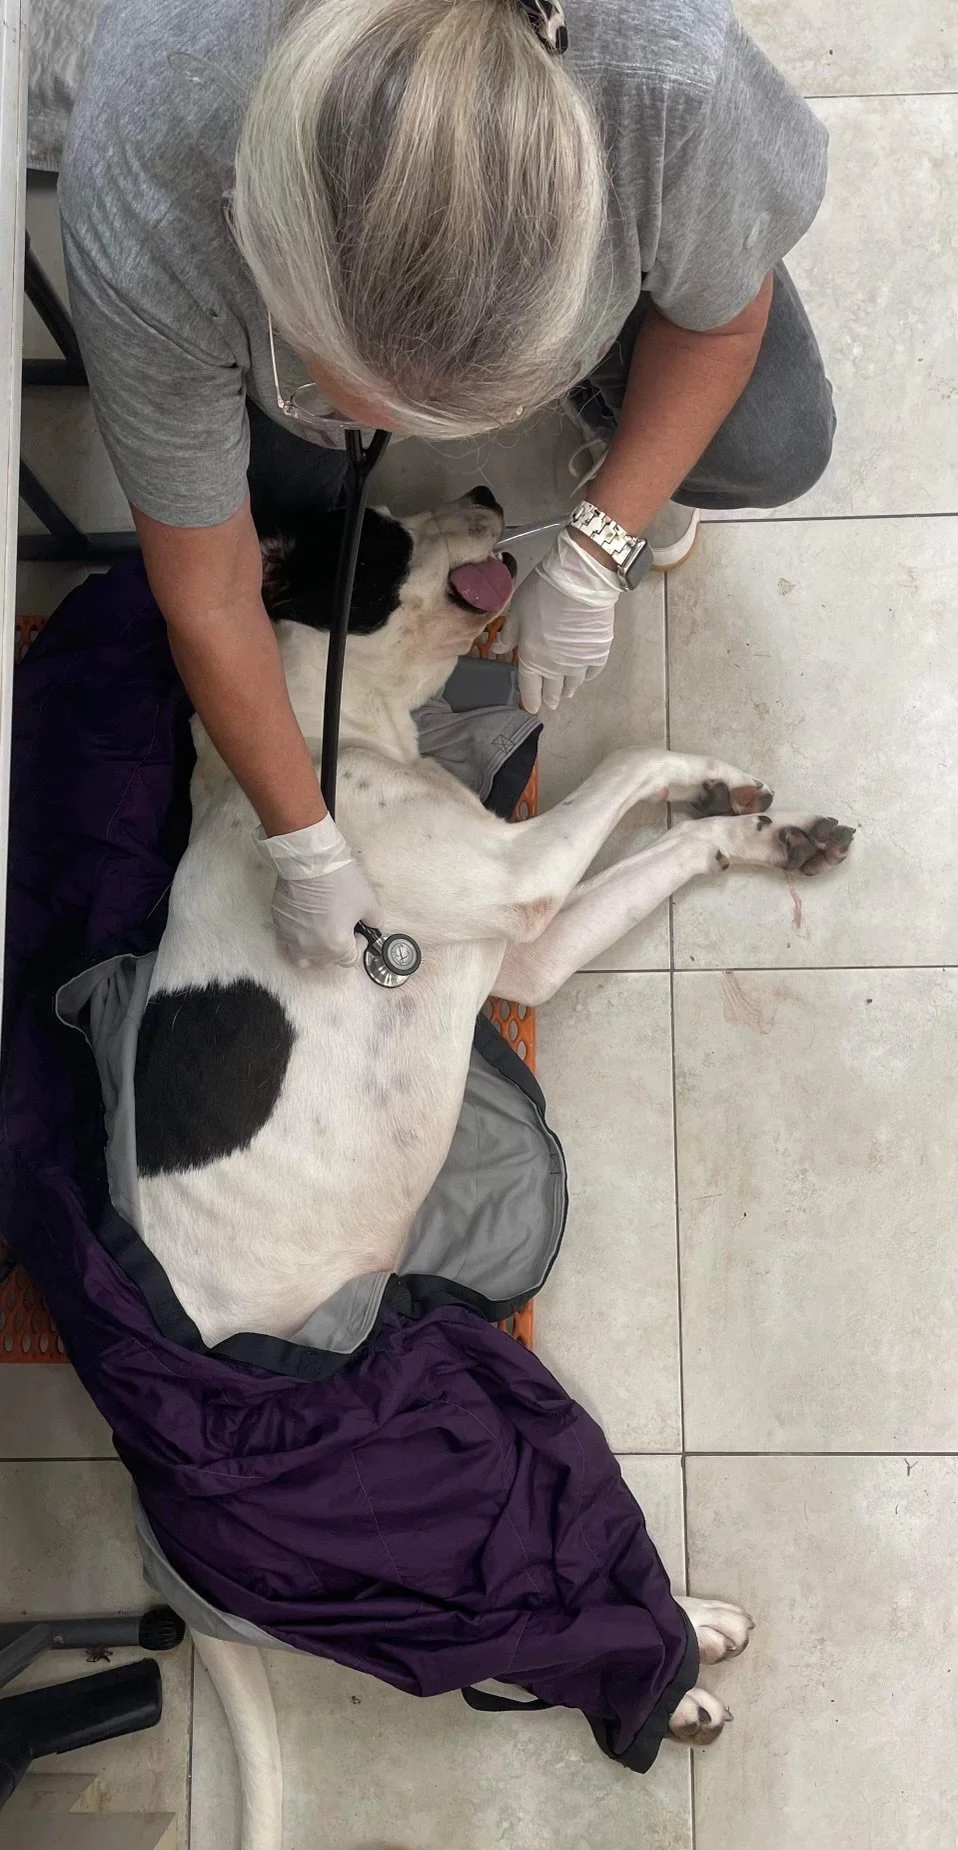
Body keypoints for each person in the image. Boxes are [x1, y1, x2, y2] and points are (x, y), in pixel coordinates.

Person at [60, 0, 833, 968]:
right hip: (215, 231)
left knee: (773, 439)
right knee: (282, 521)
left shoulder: (665, 74)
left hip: (611, 182)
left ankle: (592, 409)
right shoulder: (149, 189)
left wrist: (602, 543)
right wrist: (302, 844)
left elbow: (720, 326)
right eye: (348, 399)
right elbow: (211, 590)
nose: (415, 442)